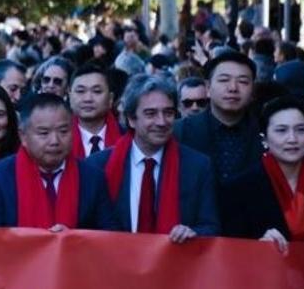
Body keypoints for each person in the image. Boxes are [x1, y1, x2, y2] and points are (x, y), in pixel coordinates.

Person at [85, 75, 218, 241]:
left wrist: (192, 234)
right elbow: (85, 227)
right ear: (131, 119)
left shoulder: (198, 167)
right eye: (151, 114)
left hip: (176, 256)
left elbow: (211, 227)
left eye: (168, 113)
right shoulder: (98, 166)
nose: (161, 122)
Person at [0, 93, 115, 231]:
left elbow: (109, 236)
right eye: (44, 133)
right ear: (23, 136)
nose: (55, 141)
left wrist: (74, 238)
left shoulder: (92, 178)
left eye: (63, 131)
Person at [221, 97, 304, 249]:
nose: (292, 139)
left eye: (301, 130)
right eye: (282, 130)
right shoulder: (239, 188)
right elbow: (231, 249)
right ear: (265, 139)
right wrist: (258, 246)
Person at [174, 52, 263, 186]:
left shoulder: (266, 131)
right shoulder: (179, 131)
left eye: (243, 81)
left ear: (253, 90)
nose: (233, 88)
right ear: (208, 88)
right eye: (224, 80)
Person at [68, 63, 121, 159]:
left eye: (97, 91)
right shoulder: (59, 140)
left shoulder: (127, 138)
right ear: (70, 97)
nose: (88, 99)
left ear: (110, 99)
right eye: (80, 91)